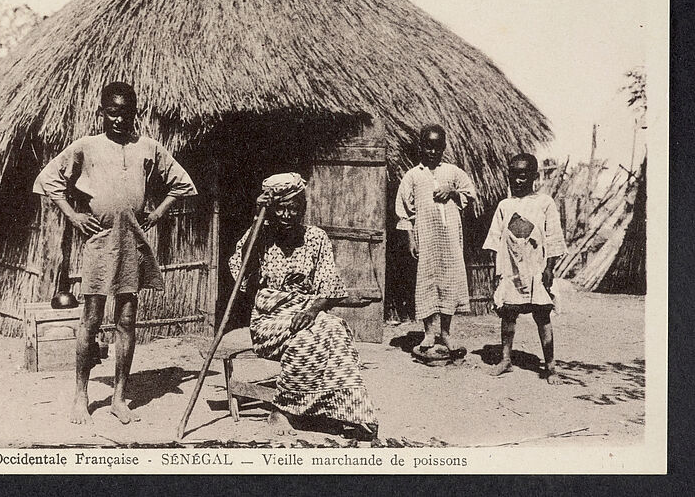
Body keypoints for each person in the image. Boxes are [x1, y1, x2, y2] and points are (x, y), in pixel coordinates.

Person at [33, 81, 197, 424]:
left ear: (134, 115)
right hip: (99, 240)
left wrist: (157, 213)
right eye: (112, 112)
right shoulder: (86, 147)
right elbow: (50, 180)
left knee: (126, 320)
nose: (119, 120)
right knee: (91, 319)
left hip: (132, 240)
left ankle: (119, 397)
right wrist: (73, 214)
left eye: (125, 113)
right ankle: (81, 395)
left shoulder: (148, 147)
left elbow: (181, 183)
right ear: (101, 113)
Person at [229, 173, 379, 440]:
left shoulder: (316, 238)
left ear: (303, 207)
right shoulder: (259, 237)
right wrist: (257, 219)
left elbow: (330, 287)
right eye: (280, 208)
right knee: (312, 336)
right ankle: (284, 410)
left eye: (294, 208)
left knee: (333, 329)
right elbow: (243, 274)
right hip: (270, 319)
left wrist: (311, 310)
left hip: (307, 313)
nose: (287, 215)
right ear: (271, 210)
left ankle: (348, 411)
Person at [483, 153, 567, 384]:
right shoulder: (505, 205)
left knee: (542, 315)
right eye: (513, 175)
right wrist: (496, 273)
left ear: (533, 177)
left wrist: (549, 268)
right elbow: (494, 240)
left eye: (523, 175)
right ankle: (506, 359)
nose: (517, 180)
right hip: (511, 270)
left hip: (536, 270)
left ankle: (550, 367)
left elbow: (553, 238)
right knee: (508, 314)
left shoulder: (544, 203)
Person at [395, 124, 476, 353]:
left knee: (449, 281)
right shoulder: (413, 176)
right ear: (421, 146)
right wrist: (411, 239)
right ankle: (429, 334)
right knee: (427, 282)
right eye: (428, 146)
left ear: (444, 147)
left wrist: (452, 191)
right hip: (427, 237)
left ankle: (446, 333)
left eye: (437, 147)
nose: (432, 152)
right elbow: (404, 211)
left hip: (449, 237)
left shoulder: (453, 172)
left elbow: (470, 194)